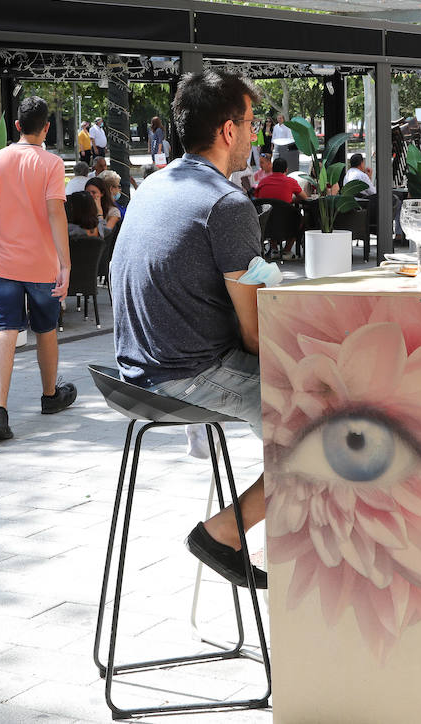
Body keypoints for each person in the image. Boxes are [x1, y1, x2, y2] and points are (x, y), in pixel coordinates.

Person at [111, 68, 269, 589]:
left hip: (130, 373)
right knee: (331, 425)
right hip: (184, 374)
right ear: (228, 130)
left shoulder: (154, 184)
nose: (255, 134)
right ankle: (225, 530)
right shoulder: (227, 204)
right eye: (251, 123)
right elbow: (253, 338)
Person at [0, 95, 77, 438]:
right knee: (46, 330)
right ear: (46, 127)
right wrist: (66, 263)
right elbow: (55, 212)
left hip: (3, 263)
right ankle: (49, 396)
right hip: (41, 266)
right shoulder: (52, 164)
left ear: (17, 126)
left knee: (5, 330)